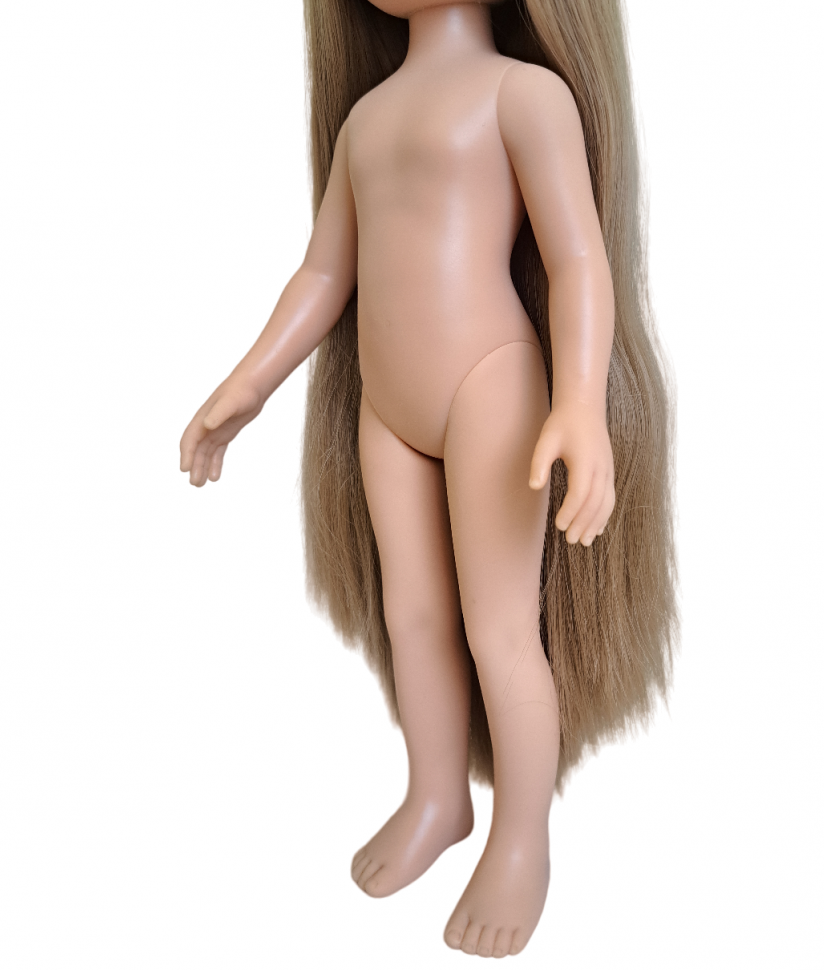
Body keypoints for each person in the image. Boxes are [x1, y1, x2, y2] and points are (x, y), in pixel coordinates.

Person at [180, 0, 676, 957]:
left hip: (490, 385)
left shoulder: (523, 95)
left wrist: (581, 403)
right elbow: (323, 274)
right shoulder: (366, 118)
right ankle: (437, 795)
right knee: (410, 615)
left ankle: (522, 840)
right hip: (387, 406)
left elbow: (579, 258)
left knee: (500, 630)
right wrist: (248, 383)